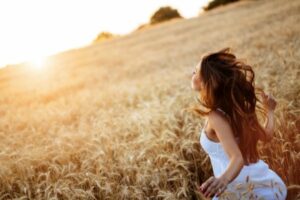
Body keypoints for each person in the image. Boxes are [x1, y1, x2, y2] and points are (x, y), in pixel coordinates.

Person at [190, 47, 287, 199]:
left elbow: (237, 158)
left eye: (196, 71)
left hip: (239, 190)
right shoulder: (238, 110)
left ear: (208, 81)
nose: (192, 74)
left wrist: (222, 180)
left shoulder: (215, 116)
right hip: (265, 183)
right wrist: (270, 111)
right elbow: (267, 136)